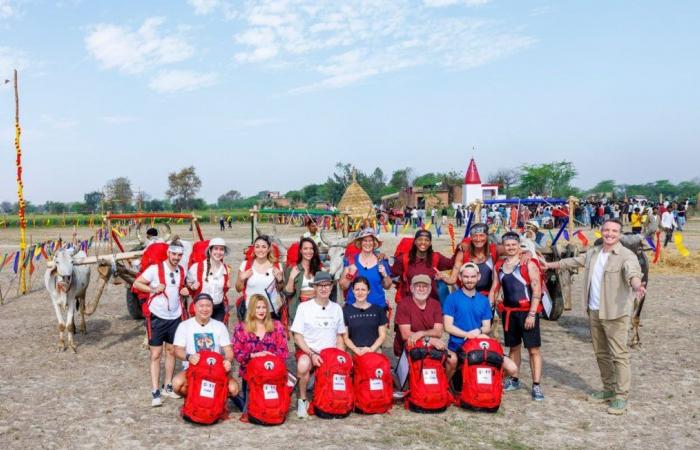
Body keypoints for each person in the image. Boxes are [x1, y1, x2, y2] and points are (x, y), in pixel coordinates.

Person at [548, 219, 645, 415]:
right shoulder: (594, 252)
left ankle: (621, 396)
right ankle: (608, 388)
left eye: (614, 231)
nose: (610, 234)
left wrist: (637, 285)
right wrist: (550, 264)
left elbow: (632, 272)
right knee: (601, 353)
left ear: (620, 234)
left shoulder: (627, 255)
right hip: (594, 310)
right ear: (601, 232)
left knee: (619, 355)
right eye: (607, 230)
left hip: (615, 313)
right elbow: (575, 261)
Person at [132, 240, 190, 407]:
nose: (176, 257)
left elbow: (181, 288)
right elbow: (137, 283)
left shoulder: (182, 271)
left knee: (171, 351)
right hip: (157, 316)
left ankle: (168, 386)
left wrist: (185, 290)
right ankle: (155, 390)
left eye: (179, 255)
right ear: (168, 253)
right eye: (174, 254)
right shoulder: (155, 269)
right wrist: (153, 289)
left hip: (175, 316)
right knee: (156, 354)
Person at [488, 232, 545, 401]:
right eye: (507, 245)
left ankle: (536, 385)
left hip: (527, 311)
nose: (511, 248)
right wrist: (488, 309)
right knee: (513, 348)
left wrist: (532, 314)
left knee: (533, 350)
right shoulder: (499, 265)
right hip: (509, 312)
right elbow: (494, 288)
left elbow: (536, 290)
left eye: (514, 244)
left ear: (519, 245)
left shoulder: (528, 263)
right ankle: (514, 379)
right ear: (503, 247)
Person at [443, 263, 518, 382]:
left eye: (473, 277)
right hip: (458, 346)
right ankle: (446, 386)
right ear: (460, 278)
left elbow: (487, 326)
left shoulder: (483, 301)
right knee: (453, 361)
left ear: (478, 277)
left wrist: (479, 331)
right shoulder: (452, 298)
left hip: (478, 344)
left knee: (512, 368)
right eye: (466, 277)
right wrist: (467, 335)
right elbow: (448, 327)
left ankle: (490, 384)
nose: (469, 280)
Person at [290, 271, 346, 419]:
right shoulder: (304, 307)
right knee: (302, 365)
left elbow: (340, 337)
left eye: (327, 285)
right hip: (310, 351)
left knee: (341, 366)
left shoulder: (337, 308)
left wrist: (339, 357)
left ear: (331, 287)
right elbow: (297, 336)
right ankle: (302, 400)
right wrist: (311, 354)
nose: (323, 289)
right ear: (314, 288)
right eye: (320, 286)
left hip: (330, 353)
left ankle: (332, 397)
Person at [171, 293, 239, 398]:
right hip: (193, 369)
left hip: (215, 369)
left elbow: (228, 349)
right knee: (177, 384)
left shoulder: (219, 326)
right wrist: (189, 357)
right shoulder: (184, 325)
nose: (205, 309)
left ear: (212, 308)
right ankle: (194, 399)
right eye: (201, 306)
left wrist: (228, 361)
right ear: (194, 307)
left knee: (233, 389)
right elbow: (177, 350)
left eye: (208, 306)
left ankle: (216, 401)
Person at [231, 293, 289, 410]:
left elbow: (284, 351)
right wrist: (254, 355)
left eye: (264, 307)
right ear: (252, 309)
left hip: (271, 373)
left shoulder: (277, 326)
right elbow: (238, 354)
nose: (261, 310)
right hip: (251, 375)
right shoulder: (241, 328)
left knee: (271, 407)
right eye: (258, 307)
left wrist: (268, 356)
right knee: (249, 409)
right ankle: (236, 397)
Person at [391, 229, 455, 304]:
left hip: (432, 304)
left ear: (430, 243)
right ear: (415, 242)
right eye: (420, 239)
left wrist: (459, 249)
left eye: (426, 240)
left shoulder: (436, 257)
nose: (423, 242)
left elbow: (452, 263)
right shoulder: (404, 259)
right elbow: (392, 275)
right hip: (410, 304)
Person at [339, 228, 392, 309]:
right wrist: (350, 274)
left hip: (377, 308)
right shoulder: (350, 260)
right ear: (360, 243)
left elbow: (387, 286)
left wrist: (385, 275)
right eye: (365, 240)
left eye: (370, 240)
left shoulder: (381, 261)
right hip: (354, 308)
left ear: (374, 243)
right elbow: (343, 287)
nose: (368, 243)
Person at [235, 235, 285, 318]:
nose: (260, 250)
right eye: (257, 247)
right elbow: (238, 289)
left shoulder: (277, 266)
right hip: (251, 311)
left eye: (264, 247)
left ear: (269, 249)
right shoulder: (245, 265)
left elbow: (281, 289)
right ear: (254, 249)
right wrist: (241, 279)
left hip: (271, 311)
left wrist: (280, 280)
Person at [187, 237, 231, 322]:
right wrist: (192, 286)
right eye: (216, 249)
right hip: (201, 310)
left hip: (219, 310)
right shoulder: (196, 267)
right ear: (210, 251)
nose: (218, 252)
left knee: (217, 334)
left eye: (221, 249)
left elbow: (224, 289)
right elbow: (188, 282)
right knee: (201, 335)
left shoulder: (226, 269)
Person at [342, 277, 388, 355]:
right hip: (353, 350)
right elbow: (345, 337)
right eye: (357, 289)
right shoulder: (346, 311)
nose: (360, 293)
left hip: (374, 350)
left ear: (368, 291)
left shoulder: (378, 310)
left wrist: (371, 349)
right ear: (353, 291)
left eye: (363, 289)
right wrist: (356, 350)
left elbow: (382, 335)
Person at [284, 237, 323, 322]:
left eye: (311, 248)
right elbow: (288, 293)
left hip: (317, 309)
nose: (309, 251)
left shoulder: (318, 269)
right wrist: (291, 278)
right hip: (298, 309)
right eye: (305, 248)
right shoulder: (293, 269)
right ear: (300, 251)